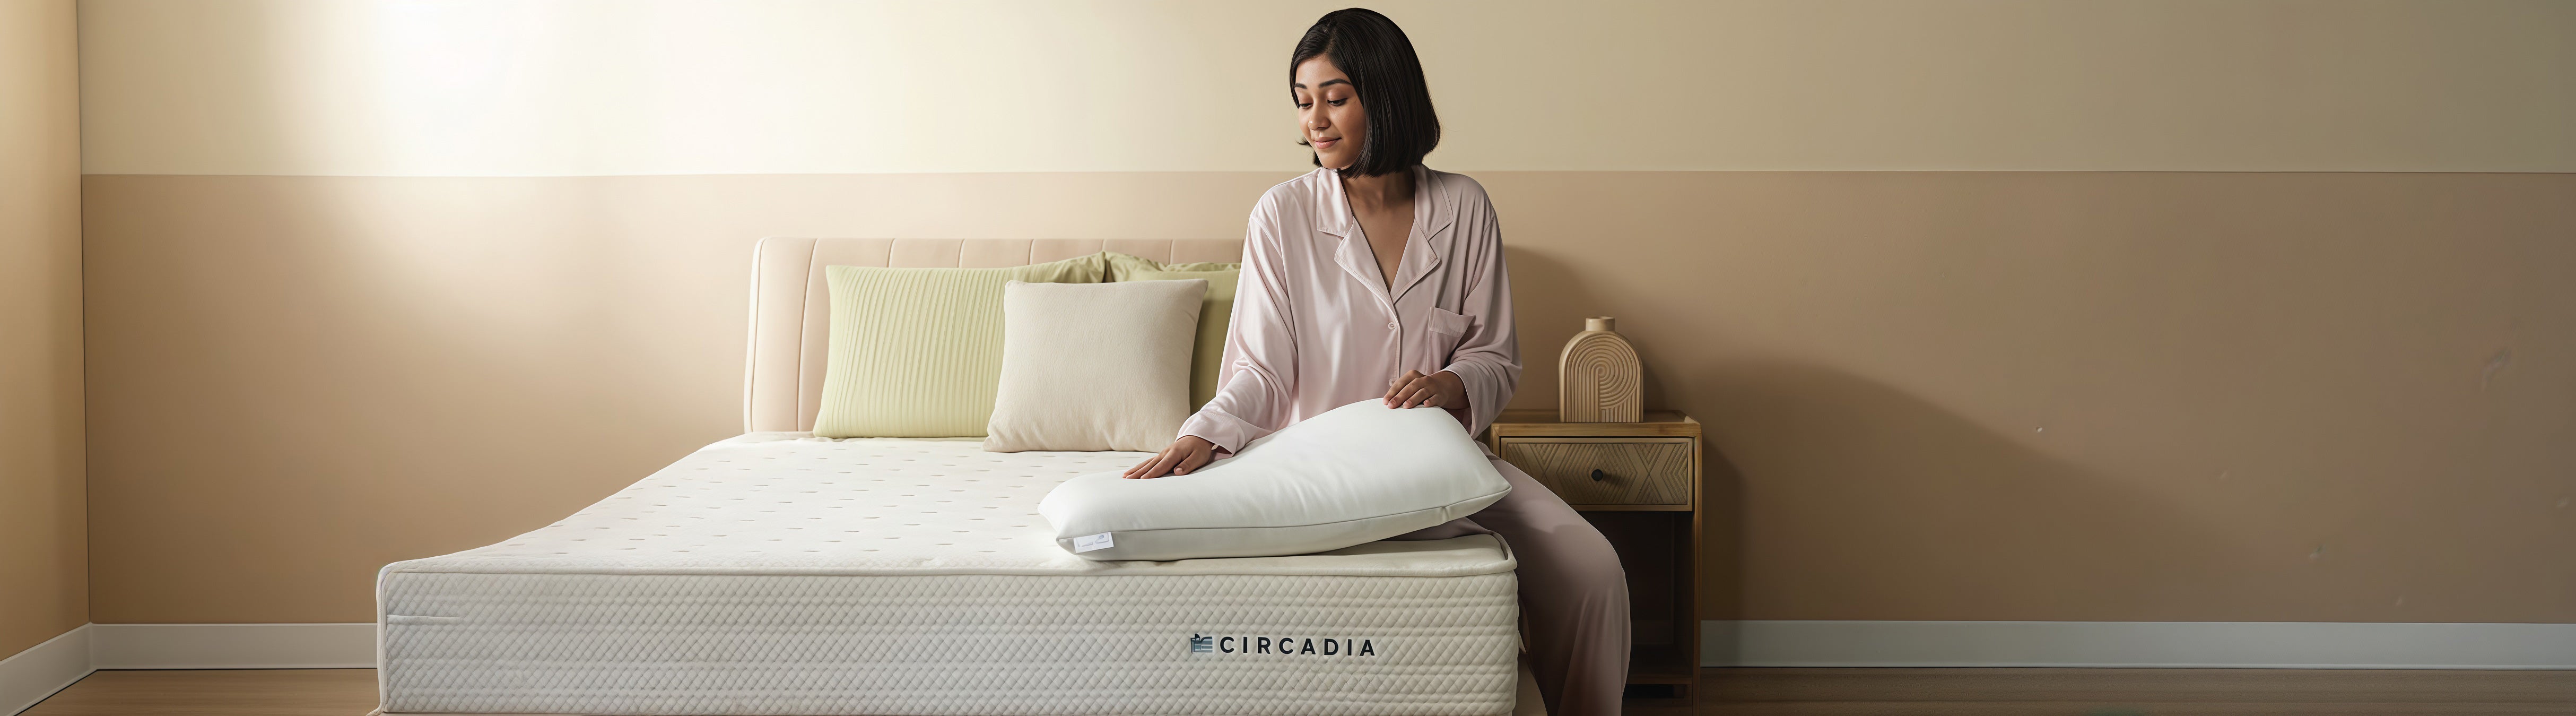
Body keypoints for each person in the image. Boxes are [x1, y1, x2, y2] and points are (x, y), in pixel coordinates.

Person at [1121, 8, 1630, 715]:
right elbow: (1263, 370)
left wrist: (1453, 382)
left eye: (1335, 97)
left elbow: (1496, 355)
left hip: (1442, 467)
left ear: (1384, 94)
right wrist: (1207, 430)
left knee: (1593, 569)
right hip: (1322, 474)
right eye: (1303, 102)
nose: (1315, 121)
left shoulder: (1467, 207)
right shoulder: (1283, 215)